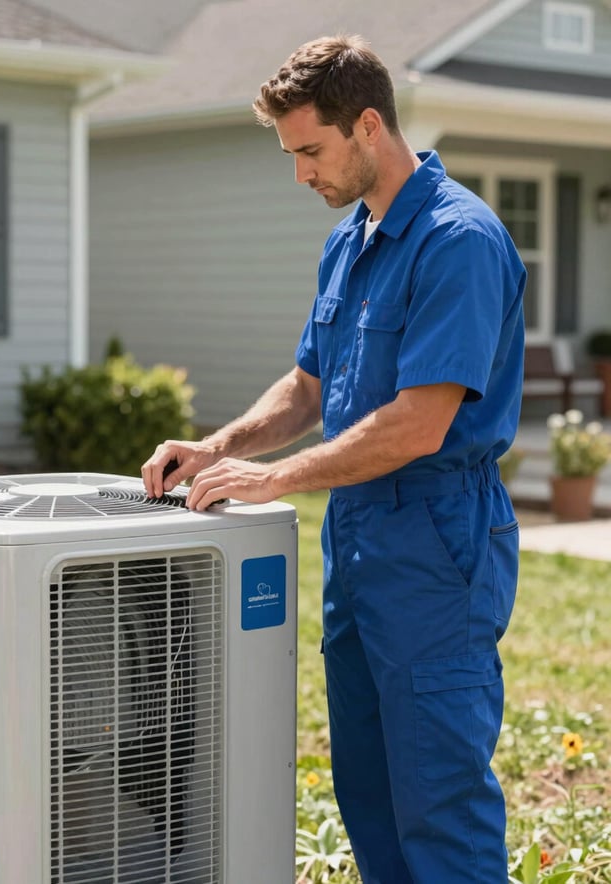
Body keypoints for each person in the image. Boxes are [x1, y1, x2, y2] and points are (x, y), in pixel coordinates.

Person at [142, 34, 525, 884]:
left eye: (310, 150)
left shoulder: (458, 241)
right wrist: (219, 447)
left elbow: (418, 425)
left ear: (368, 126)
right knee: (368, 788)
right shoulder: (350, 242)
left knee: (438, 796)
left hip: (435, 541)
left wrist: (273, 478)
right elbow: (309, 388)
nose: (300, 173)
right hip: (357, 541)